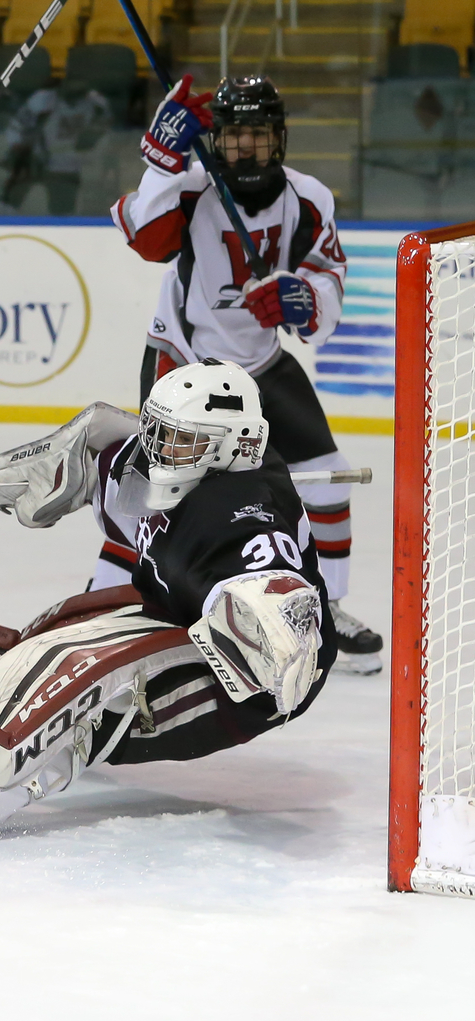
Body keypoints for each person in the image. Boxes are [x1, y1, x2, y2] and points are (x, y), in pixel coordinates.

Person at [0, 361, 337, 843]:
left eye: (177, 439)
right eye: (159, 430)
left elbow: (281, 616)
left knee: (89, 694)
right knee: (34, 642)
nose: (156, 450)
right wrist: (79, 456)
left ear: (229, 447)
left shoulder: (241, 514)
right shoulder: (178, 468)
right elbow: (112, 448)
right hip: (179, 613)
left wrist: (273, 623)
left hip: (250, 684)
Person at [108, 74, 381, 674]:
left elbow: (327, 277)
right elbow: (142, 236)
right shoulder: (193, 187)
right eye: (233, 138)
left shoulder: (309, 199)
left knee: (327, 479)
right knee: (157, 491)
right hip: (184, 362)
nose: (246, 150)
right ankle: (133, 605)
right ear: (217, 142)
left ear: (279, 139)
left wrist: (302, 298)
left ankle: (326, 608)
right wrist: (160, 162)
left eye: (258, 135)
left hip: (260, 365)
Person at [0, 77, 113, 216]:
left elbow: (102, 135)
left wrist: (87, 149)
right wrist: (19, 150)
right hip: (34, 161)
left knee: (63, 210)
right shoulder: (43, 100)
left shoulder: (97, 105)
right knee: (10, 198)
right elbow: (17, 127)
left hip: (67, 166)